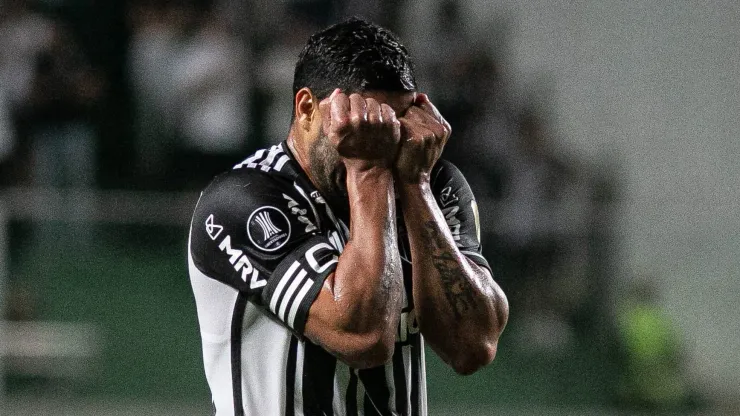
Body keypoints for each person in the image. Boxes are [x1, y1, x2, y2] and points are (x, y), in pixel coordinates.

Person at [188, 18, 509, 416]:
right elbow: (363, 336)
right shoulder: (240, 201)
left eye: (394, 128)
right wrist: (368, 169)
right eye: (360, 125)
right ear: (306, 109)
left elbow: (473, 346)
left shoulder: (426, 180)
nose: (381, 144)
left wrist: (417, 185)